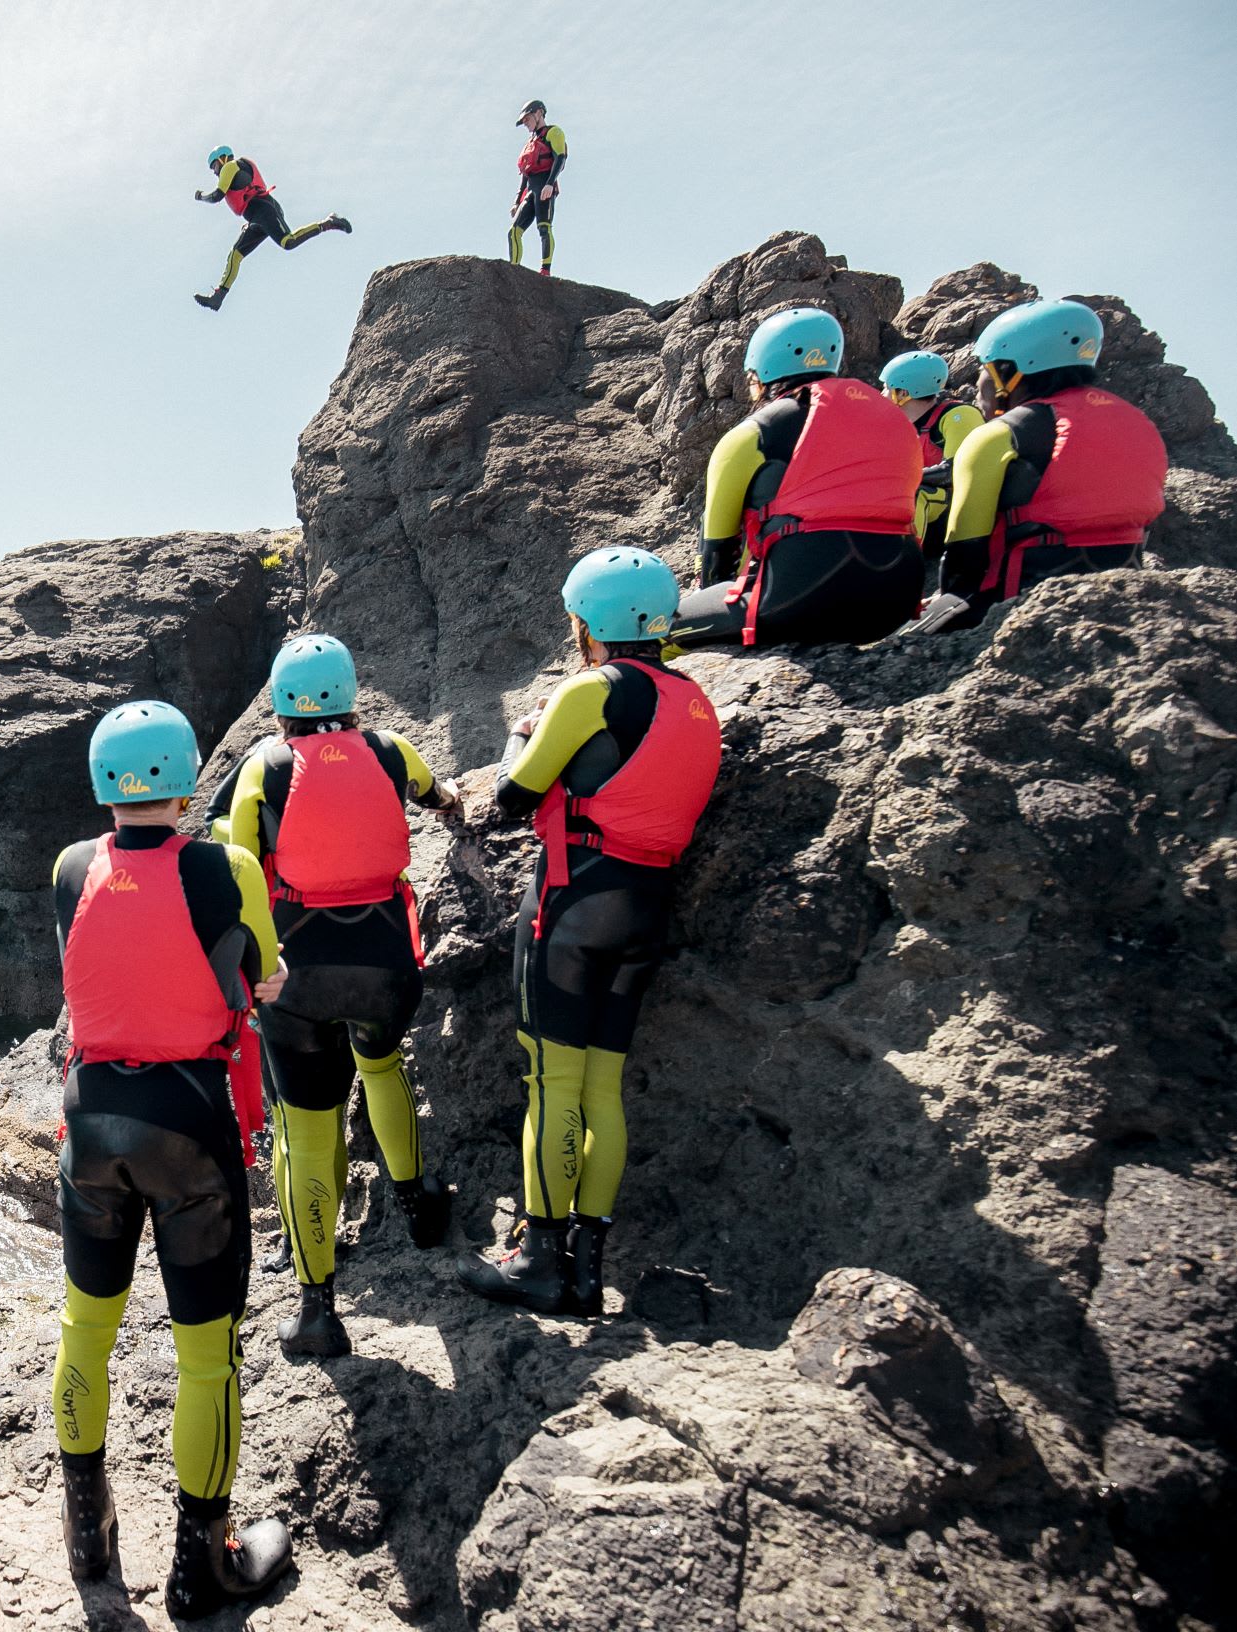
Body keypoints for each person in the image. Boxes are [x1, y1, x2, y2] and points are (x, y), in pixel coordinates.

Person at [51, 700, 294, 1618]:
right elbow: (264, 979)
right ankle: (203, 1565)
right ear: (187, 778)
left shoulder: (69, 867)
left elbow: (92, 968)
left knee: (85, 1330)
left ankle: (88, 1537)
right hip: (188, 1124)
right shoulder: (226, 867)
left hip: (91, 1122)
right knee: (206, 1358)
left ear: (101, 781)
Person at [460, 549, 721, 1316]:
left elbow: (513, 797)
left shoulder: (592, 689)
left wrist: (521, 734)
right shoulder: (694, 700)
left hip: (574, 901)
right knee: (602, 1088)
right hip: (647, 904)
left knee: (553, 1083)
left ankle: (537, 1260)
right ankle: (585, 1271)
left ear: (588, 623)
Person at [224, 636, 463, 1359]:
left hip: (298, 976)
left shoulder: (265, 766)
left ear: (279, 703)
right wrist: (452, 807)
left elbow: (236, 865)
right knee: (383, 1068)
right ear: (351, 693)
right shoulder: (391, 750)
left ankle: (316, 1306)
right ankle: (417, 1207)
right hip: (387, 965)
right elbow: (440, 797)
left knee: (305, 1128)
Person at [669, 307, 925, 650]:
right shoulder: (897, 423)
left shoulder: (754, 434)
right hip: (894, 602)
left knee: (648, 634)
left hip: (798, 604)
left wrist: (715, 606)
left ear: (760, 373)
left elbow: (717, 548)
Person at [913, 298, 1169, 632]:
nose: (978, 383)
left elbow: (965, 558)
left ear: (1008, 371)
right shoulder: (1138, 423)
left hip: (1019, 608)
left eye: (984, 368)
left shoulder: (997, 435)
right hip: (1125, 599)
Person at [193, 146, 351, 311]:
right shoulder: (236, 168)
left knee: (288, 242)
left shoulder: (230, 166)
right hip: (256, 217)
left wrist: (200, 196)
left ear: (223, 158)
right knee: (235, 255)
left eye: (214, 166)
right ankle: (218, 298)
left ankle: (329, 222)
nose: (214, 171)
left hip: (264, 210)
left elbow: (216, 196)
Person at [879, 349, 983, 559]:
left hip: (955, 516)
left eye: (886, 388)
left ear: (902, 393)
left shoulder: (958, 415)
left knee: (913, 492)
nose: (881, 394)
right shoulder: (899, 428)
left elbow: (955, 471)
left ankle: (904, 565)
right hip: (925, 513)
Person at [508, 100, 566, 276]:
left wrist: (550, 183)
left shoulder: (553, 132)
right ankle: (514, 270)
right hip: (531, 189)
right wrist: (517, 200)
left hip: (544, 186)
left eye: (527, 118)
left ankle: (545, 270)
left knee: (544, 227)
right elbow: (525, 174)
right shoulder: (530, 144)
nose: (525, 123)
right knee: (514, 231)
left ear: (539, 113)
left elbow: (560, 157)